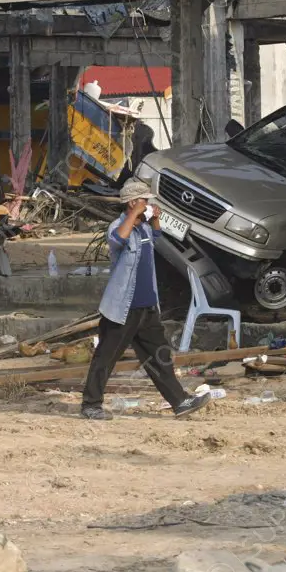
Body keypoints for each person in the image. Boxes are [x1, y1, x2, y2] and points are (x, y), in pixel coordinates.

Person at [81, 179, 212, 420]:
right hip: (123, 307)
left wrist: (154, 220)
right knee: (106, 357)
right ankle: (91, 404)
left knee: (159, 357)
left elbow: (158, 240)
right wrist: (134, 214)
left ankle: (180, 402)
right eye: (145, 200)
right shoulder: (119, 226)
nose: (149, 203)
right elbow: (117, 241)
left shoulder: (143, 229)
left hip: (147, 307)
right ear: (132, 203)